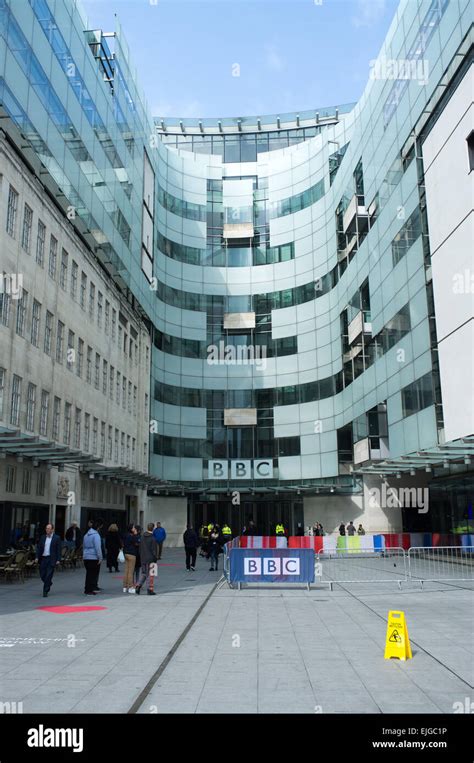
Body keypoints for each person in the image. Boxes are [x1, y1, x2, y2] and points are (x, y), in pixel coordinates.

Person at [37, 523, 61, 597]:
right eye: (46, 528)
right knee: (42, 574)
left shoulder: (57, 538)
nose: (47, 530)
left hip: (51, 559)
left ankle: (45, 591)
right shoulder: (43, 537)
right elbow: (39, 548)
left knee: (48, 575)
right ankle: (48, 583)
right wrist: (36, 557)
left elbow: (58, 549)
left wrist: (58, 559)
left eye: (49, 528)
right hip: (43, 558)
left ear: (52, 529)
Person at [136, 523, 158, 595]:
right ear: (153, 529)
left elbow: (140, 548)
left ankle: (138, 586)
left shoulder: (142, 537)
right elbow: (154, 551)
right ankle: (150, 589)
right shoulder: (153, 538)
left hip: (143, 558)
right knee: (151, 574)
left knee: (144, 573)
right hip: (151, 558)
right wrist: (155, 559)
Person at [82, 520, 103, 595]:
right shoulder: (96, 535)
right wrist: (100, 557)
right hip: (93, 557)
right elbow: (98, 547)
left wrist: (83, 555)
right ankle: (89, 589)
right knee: (93, 574)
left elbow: (84, 546)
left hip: (86, 556)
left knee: (89, 573)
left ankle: (88, 588)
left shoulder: (86, 535)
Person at [123, 524, 139, 593]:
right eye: (133, 527)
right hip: (132, 554)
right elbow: (136, 542)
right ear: (131, 529)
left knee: (126, 570)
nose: (134, 528)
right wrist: (135, 534)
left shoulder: (125, 535)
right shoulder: (132, 536)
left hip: (126, 553)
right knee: (131, 571)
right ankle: (130, 587)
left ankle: (125, 586)